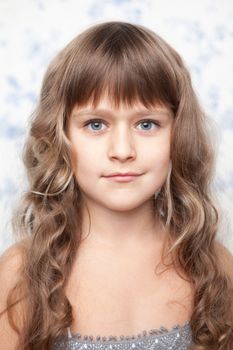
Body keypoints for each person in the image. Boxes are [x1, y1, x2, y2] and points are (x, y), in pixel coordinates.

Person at [0, 20, 232, 350]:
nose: (122, 151)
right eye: (96, 124)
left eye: (147, 124)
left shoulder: (212, 267)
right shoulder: (23, 275)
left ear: (178, 134)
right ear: (60, 135)